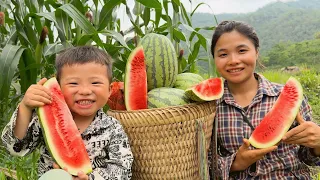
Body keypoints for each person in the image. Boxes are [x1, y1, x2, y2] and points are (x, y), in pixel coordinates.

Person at [1, 46, 134, 179]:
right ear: (58, 87)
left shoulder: (113, 128)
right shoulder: (42, 120)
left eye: (95, 82)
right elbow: (15, 148)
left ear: (110, 90)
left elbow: (122, 168)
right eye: (74, 83)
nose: (85, 91)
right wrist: (25, 108)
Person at [209, 20, 320, 179]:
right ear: (214, 58)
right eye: (223, 54)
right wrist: (235, 163)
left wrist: (317, 144)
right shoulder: (209, 108)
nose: (233, 60)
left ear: (256, 52)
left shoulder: (286, 95)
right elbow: (202, 162)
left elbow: (309, 158)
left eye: (242, 50)